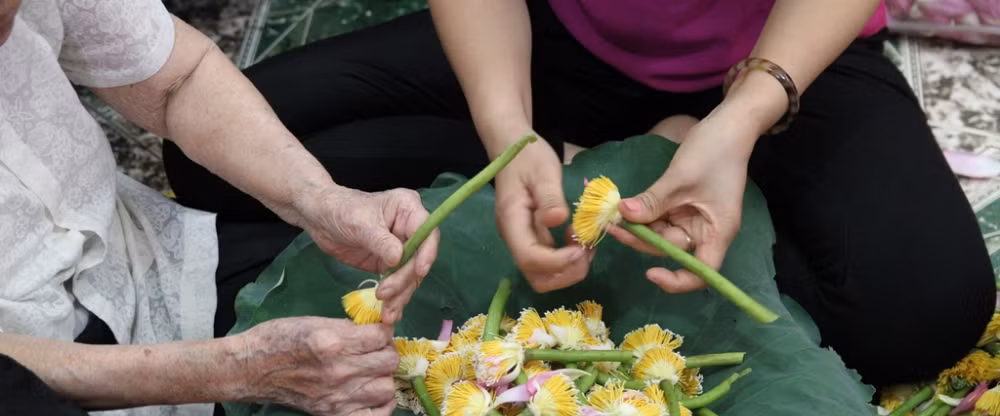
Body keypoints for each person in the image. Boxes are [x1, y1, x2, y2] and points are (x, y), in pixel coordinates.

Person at [166, 0, 995, 392]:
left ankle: (665, 171)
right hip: (555, 33)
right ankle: (589, 167)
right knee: (216, 152)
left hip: (780, 60)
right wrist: (510, 135)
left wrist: (742, 119)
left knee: (922, 316)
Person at [0, 0, 438, 416]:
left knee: (399, 301)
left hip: (132, 268)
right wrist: (234, 369)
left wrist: (320, 200)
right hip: (16, 407)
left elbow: (178, 80)